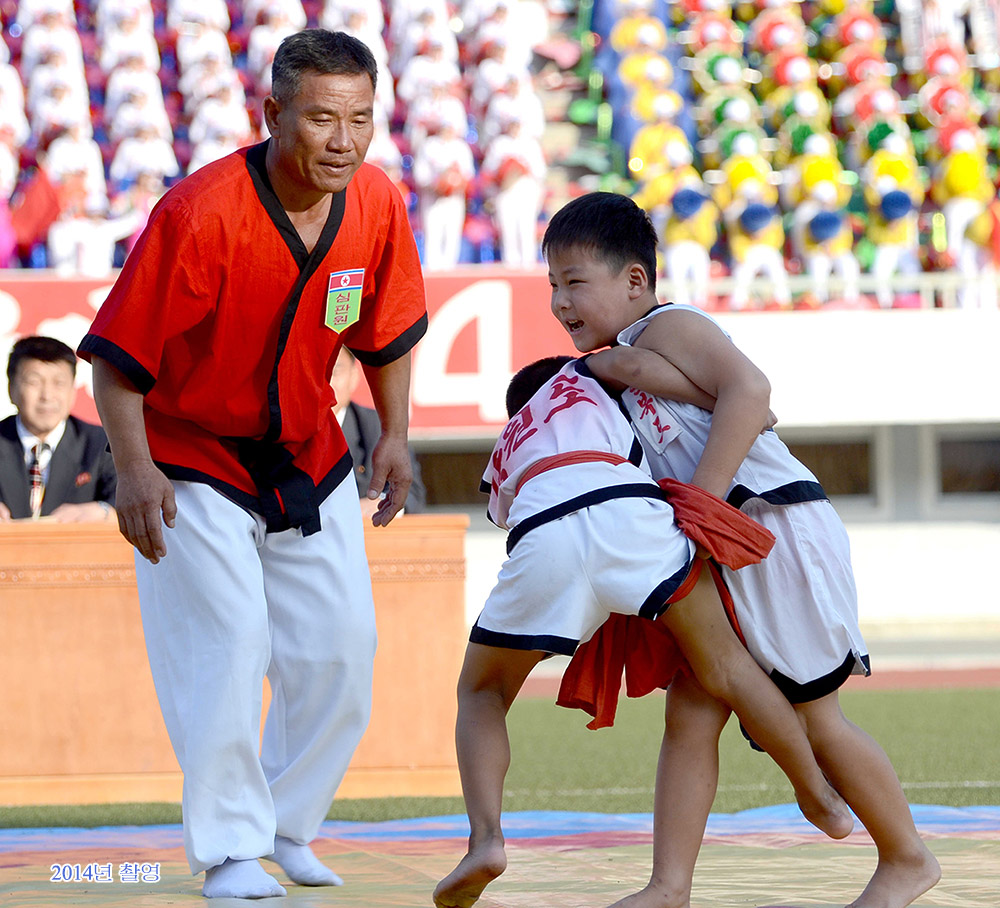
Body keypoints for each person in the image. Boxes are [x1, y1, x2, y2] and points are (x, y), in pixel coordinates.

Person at [77, 30, 427, 900]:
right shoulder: (200, 213)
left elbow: (385, 331)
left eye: (360, 119)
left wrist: (395, 433)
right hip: (189, 453)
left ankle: (287, 825)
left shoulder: (377, 203)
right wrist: (134, 469)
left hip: (310, 451)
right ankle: (230, 847)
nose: (343, 140)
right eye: (321, 119)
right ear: (272, 114)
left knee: (344, 651)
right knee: (229, 646)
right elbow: (117, 361)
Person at [542, 191, 941, 908]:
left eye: (574, 282)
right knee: (692, 709)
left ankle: (907, 856)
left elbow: (753, 391)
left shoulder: (671, 323)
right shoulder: (624, 362)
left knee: (817, 712)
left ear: (635, 280)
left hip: (770, 528)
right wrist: (619, 377)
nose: (559, 301)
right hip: (724, 544)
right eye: (552, 286)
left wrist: (704, 503)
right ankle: (669, 886)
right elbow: (718, 396)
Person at [432, 354, 854, 908]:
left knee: (481, 691)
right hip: (629, 512)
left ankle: (485, 839)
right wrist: (738, 403)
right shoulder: (584, 376)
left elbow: (509, 514)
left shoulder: (507, 443)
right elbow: (645, 375)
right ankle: (814, 791)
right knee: (727, 666)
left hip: (543, 533)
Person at [0, 336, 116, 522]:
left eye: (59, 383)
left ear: (72, 390)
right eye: (34, 382)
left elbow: (124, 501)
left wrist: (103, 511)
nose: (47, 395)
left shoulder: (101, 443)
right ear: (11, 389)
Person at [330, 346, 426, 515]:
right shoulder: (284, 428)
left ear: (354, 377)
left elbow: (413, 495)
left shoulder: (379, 426)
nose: (327, 383)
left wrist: (382, 504)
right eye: (318, 374)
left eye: (334, 372)